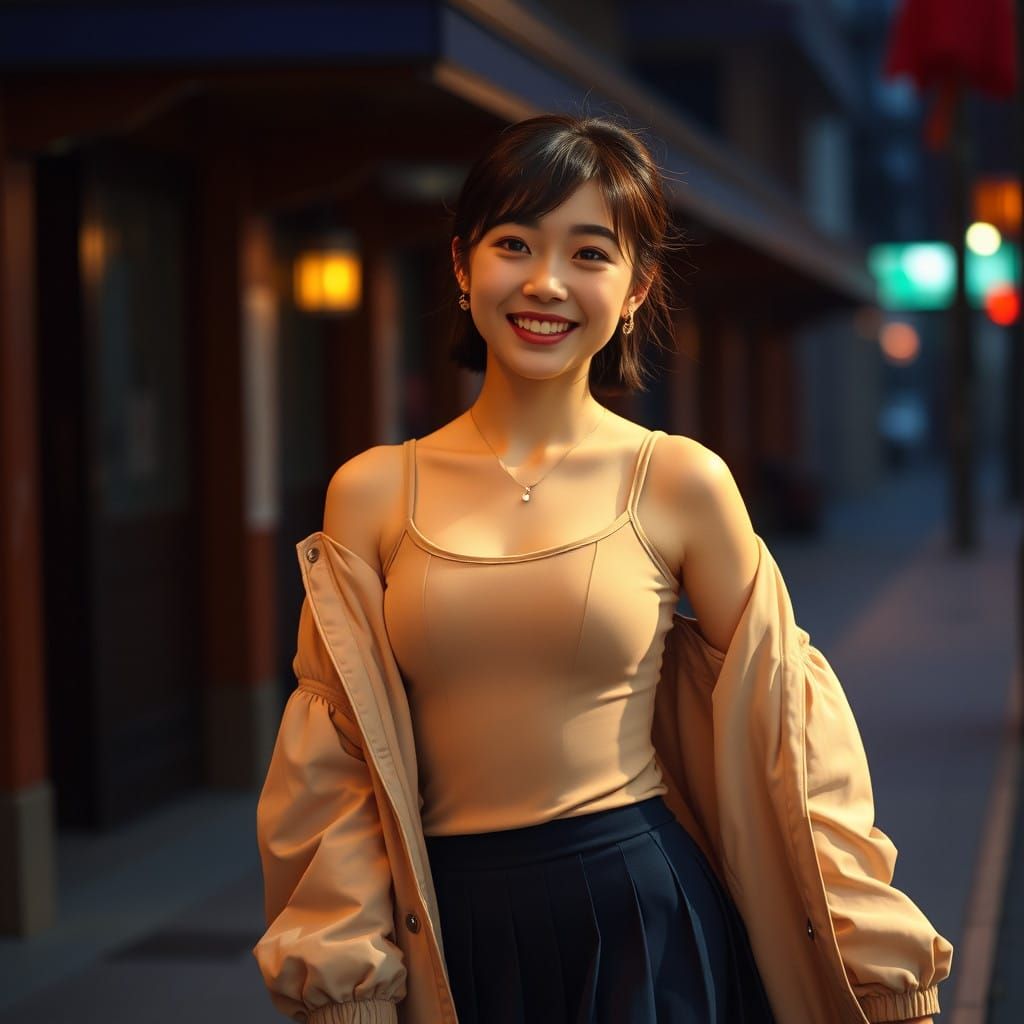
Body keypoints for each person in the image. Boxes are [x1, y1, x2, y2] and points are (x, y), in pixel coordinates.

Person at [253, 114, 951, 1023]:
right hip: (449, 925)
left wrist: (877, 968)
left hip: (642, 913)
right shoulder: (373, 491)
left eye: (590, 253)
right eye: (515, 244)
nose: (546, 283)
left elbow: (789, 733)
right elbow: (334, 756)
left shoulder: (681, 481)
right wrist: (346, 976)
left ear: (635, 289)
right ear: (464, 267)